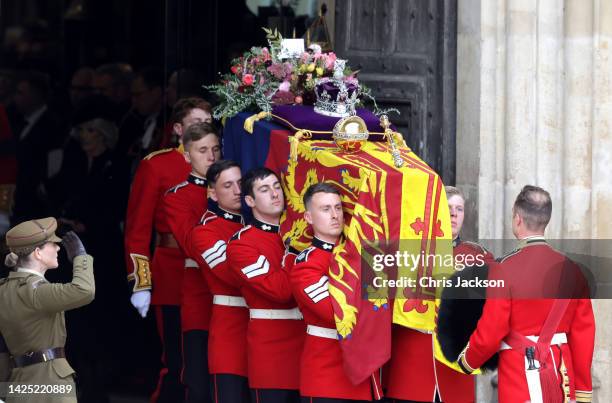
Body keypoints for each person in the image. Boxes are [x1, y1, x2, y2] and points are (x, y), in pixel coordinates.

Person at [456, 185, 595, 403]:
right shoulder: (574, 271)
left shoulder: (504, 269)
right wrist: (583, 389)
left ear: (518, 218)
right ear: (545, 221)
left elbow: (491, 332)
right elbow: (583, 336)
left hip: (520, 376)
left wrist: (467, 361)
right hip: (562, 377)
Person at [124, 97, 212, 403]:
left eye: (208, 122)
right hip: (172, 269)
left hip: (214, 274)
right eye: (195, 122)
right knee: (177, 362)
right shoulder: (157, 165)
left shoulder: (221, 162)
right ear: (177, 129)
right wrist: (141, 282)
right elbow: (137, 230)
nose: (203, 128)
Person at [290, 182, 379, 402]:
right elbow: (335, 313)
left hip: (363, 373)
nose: (334, 215)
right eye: (325, 209)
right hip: (326, 376)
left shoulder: (362, 257)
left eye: (338, 208)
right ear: (309, 217)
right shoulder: (306, 264)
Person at [227, 167, 305, 403]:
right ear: (250, 200)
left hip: (308, 348)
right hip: (272, 353)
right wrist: (295, 250)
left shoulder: (301, 233)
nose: (274, 194)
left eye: (276, 187)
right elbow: (280, 291)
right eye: (264, 189)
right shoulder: (241, 245)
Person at [0, 218, 93, 403]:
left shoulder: (3, 289)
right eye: (53, 244)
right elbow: (85, 290)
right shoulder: (38, 291)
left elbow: (1, 347)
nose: (58, 248)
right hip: (51, 382)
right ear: (37, 253)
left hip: (18, 382)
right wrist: (80, 257)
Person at [162, 122, 221, 403]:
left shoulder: (234, 189)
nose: (211, 157)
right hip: (199, 293)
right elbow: (192, 243)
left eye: (215, 149)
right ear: (187, 156)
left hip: (234, 299)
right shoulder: (178, 196)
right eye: (202, 151)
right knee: (198, 382)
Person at [188, 160, 249, 403]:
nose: (237, 191)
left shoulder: (259, 222)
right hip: (231, 330)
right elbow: (232, 276)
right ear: (212, 193)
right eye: (228, 185)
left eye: (241, 184)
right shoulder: (205, 231)